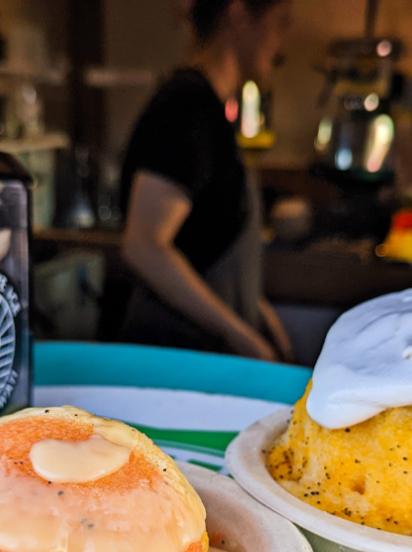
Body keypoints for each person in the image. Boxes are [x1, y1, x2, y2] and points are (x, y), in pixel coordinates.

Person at [119, 0, 293, 361]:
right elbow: (143, 245)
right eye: (279, 24)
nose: (281, 44)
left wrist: (259, 313)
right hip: (174, 356)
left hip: (199, 355)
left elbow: (204, 246)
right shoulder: (186, 107)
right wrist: (242, 337)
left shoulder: (207, 109)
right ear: (239, 15)